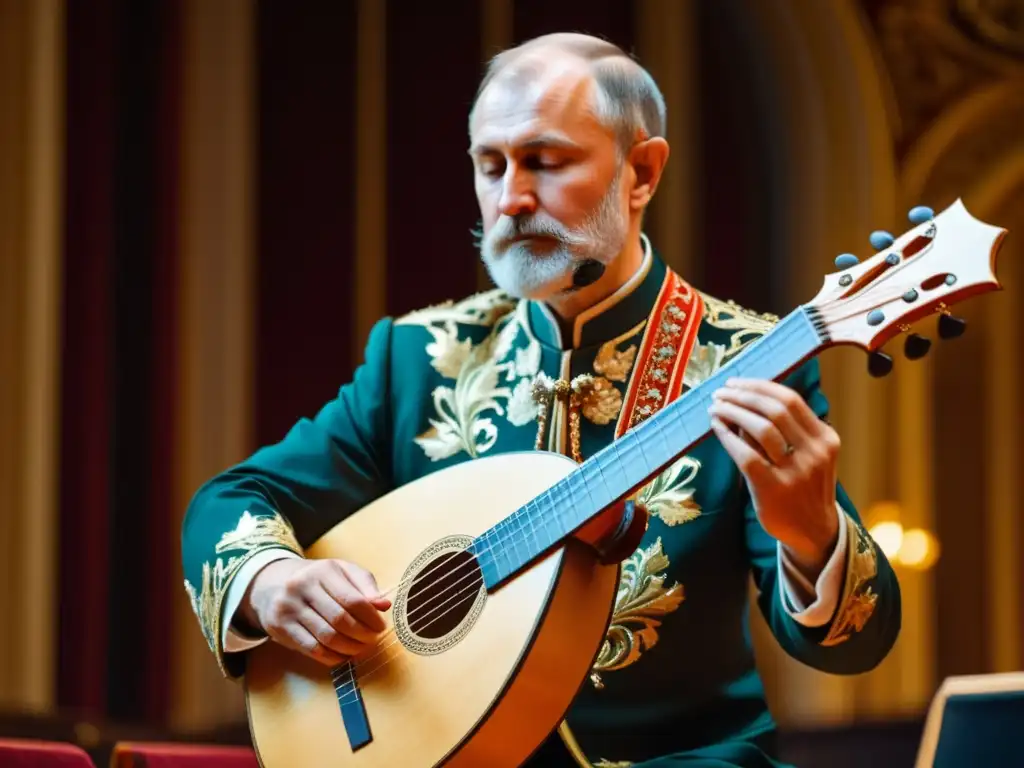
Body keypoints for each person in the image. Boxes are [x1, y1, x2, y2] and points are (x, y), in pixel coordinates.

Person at [181, 32, 901, 768]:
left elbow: (857, 644)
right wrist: (272, 580)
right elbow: (230, 499)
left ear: (642, 172)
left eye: (546, 162)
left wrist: (813, 537)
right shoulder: (418, 359)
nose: (512, 198)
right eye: (490, 167)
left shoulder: (752, 367)